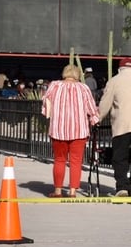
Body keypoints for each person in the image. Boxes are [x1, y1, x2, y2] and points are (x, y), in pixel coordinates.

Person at [41, 65, 100, 198]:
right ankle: (73, 191)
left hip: (58, 129)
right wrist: (95, 119)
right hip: (79, 130)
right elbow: (91, 107)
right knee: (76, 161)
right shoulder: (83, 88)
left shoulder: (54, 86)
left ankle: (57, 191)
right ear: (78, 75)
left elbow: (46, 103)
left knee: (59, 160)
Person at [98, 58, 131, 200]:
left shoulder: (115, 80)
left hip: (123, 124)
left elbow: (106, 103)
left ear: (120, 68)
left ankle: (123, 187)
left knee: (120, 157)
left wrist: (97, 118)